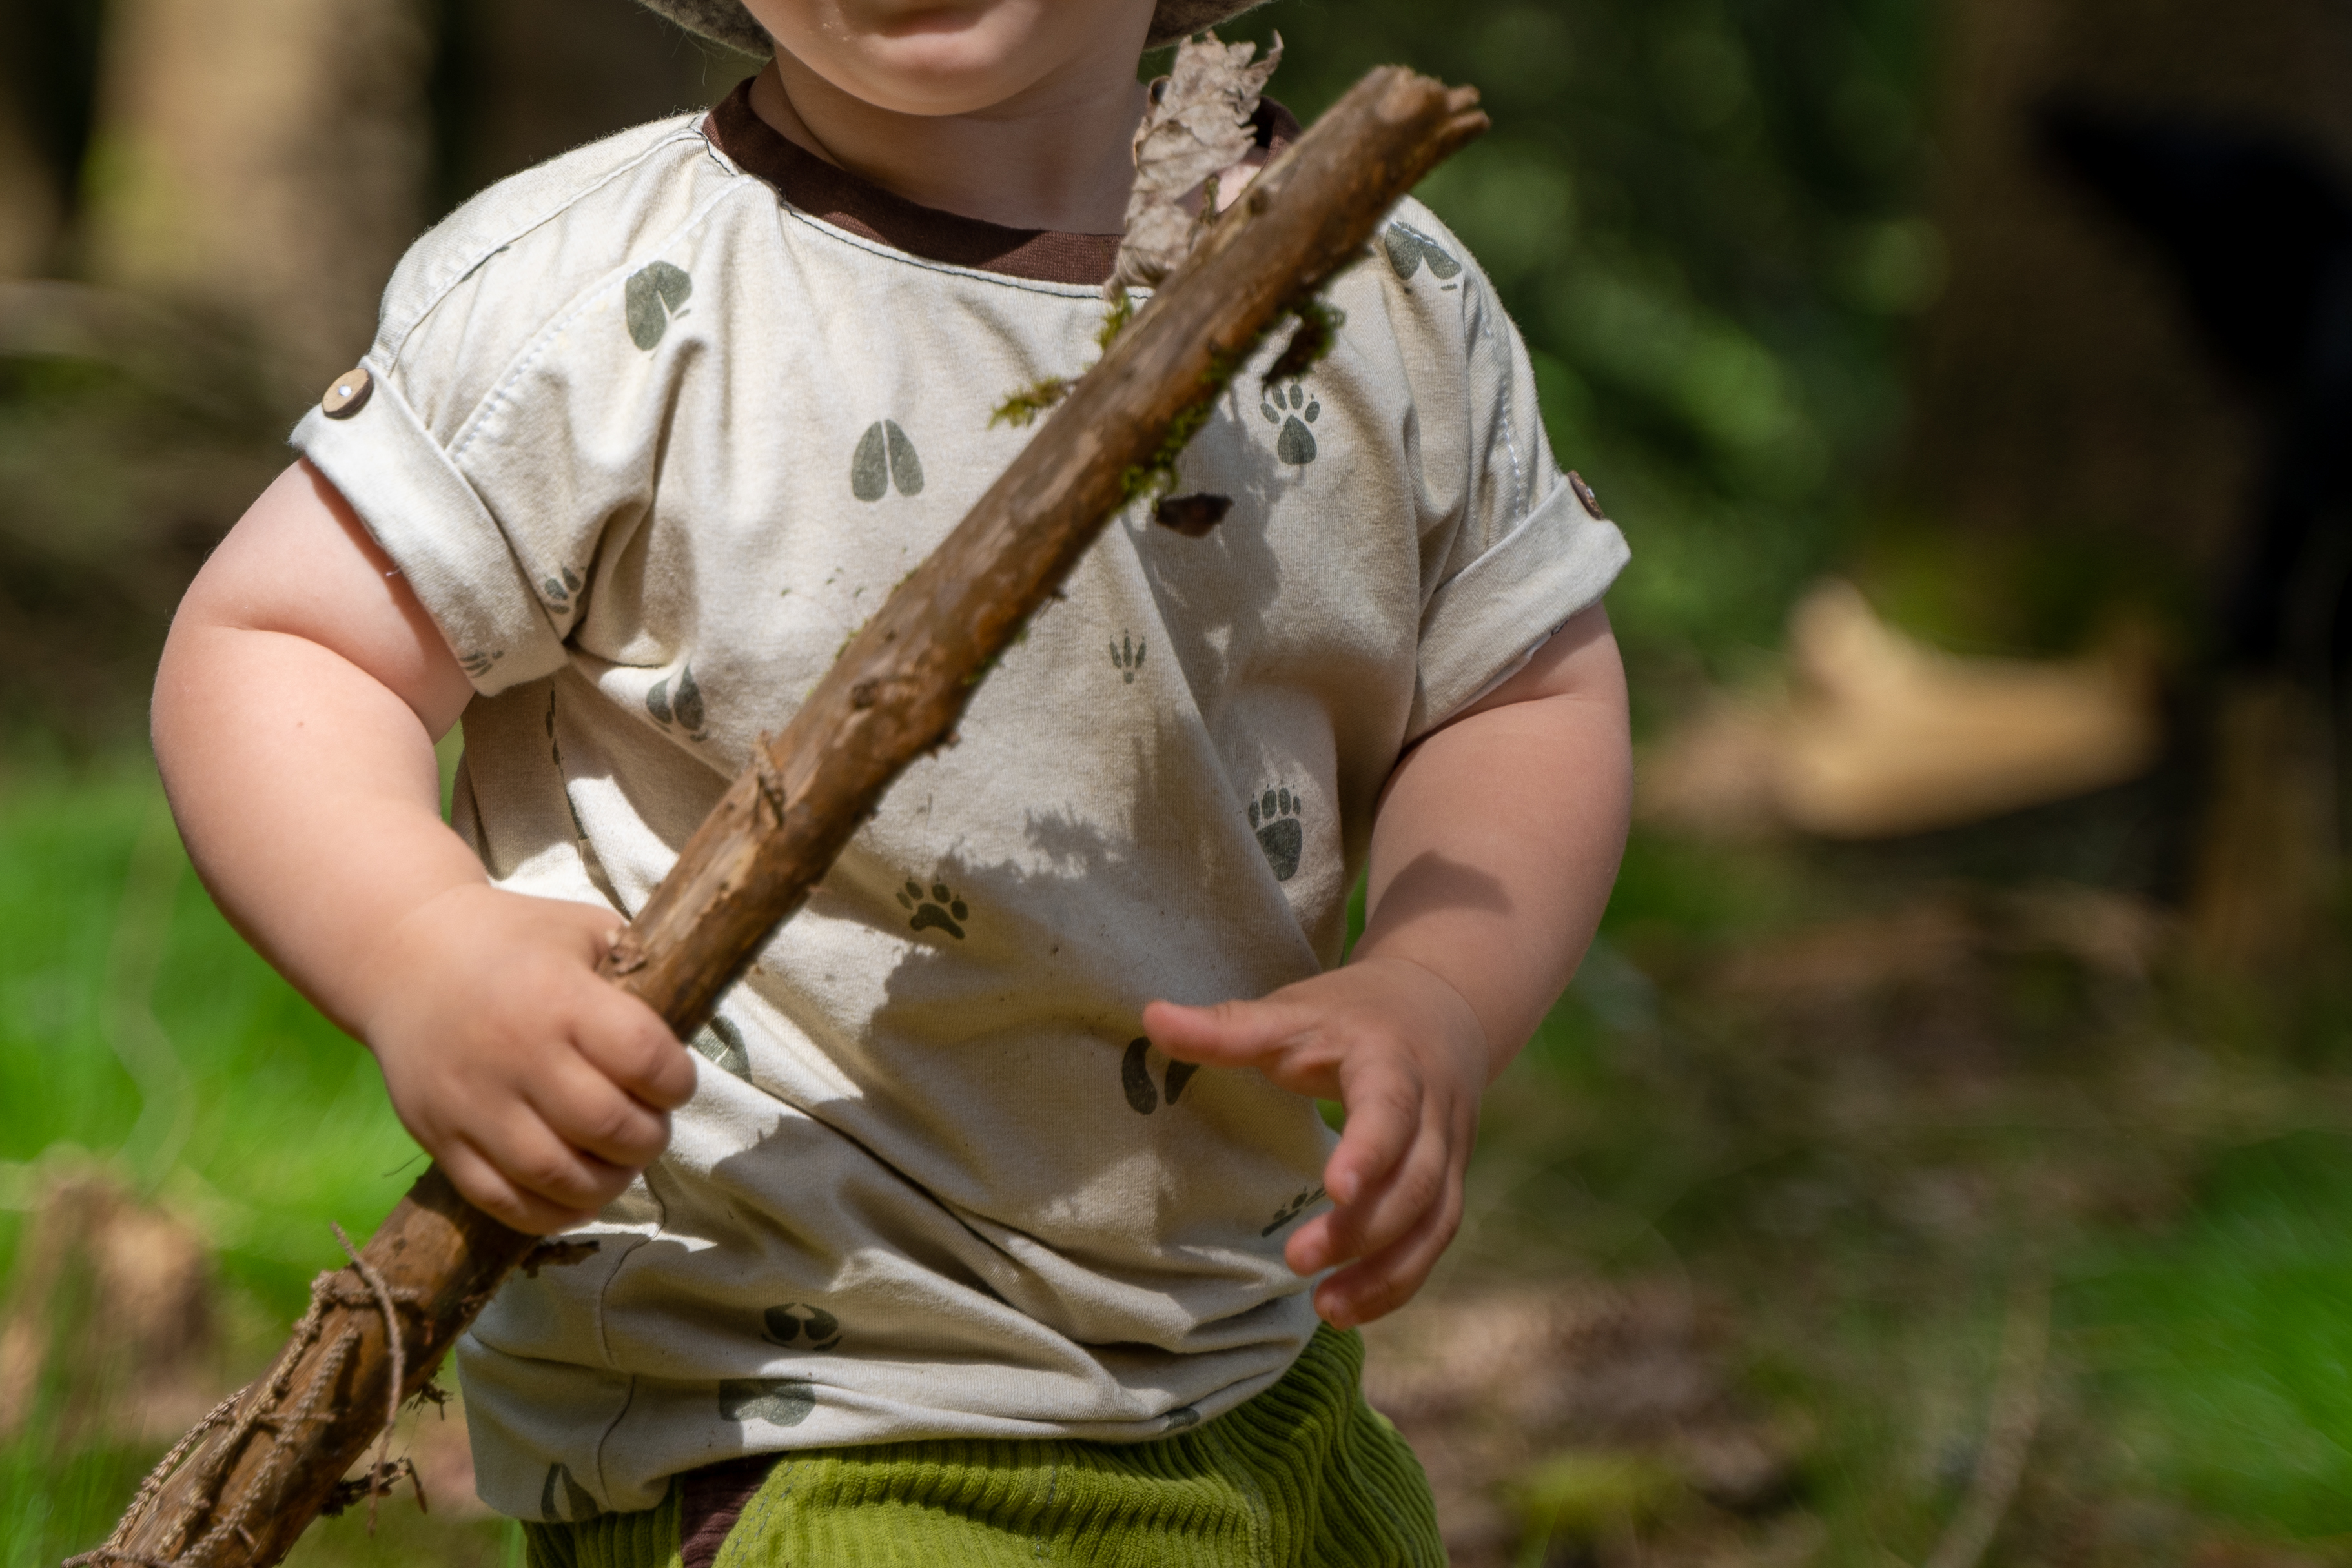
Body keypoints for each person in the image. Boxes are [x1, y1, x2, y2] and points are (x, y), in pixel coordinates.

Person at [148, 0, 1633, 1559]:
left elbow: (1518, 689)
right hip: (780, 1397)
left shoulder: (1380, 291)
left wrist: (1443, 987)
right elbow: (284, 646)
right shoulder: (595, 295)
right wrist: (416, 951)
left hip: (1253, 1359)